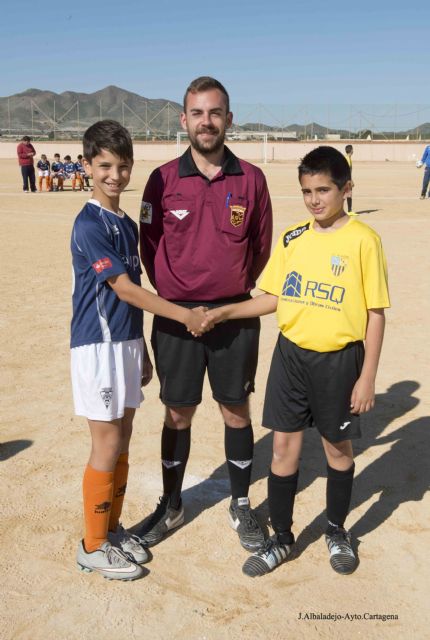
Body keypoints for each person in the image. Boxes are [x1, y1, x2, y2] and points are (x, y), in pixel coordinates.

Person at [202, 146, 390, 577]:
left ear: (346, 188)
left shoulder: (364, 240)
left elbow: (375, 313)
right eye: (307, 191)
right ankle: (282, 538)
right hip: (290, 358)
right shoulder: (293, 238)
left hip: (339, 362)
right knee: (283, 450)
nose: (315, 200)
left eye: (323, 190)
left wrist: (367, 377)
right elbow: (272, 297)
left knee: (336, 450)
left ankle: (337, 530)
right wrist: (224, 311)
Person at [137, 76, 273, 552]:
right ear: (184, 120)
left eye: (215, 113)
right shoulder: (162, 180)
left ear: (229, 119)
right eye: (197, 113)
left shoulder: (251, 179)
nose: (207, 122)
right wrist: (182, 302)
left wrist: (223, 299)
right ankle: (171, 504)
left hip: (234, 317)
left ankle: (240, 505)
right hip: (175, 317)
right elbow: (148, 247)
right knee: (178, 411)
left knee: (235, 409)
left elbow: (260, 249)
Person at [71, 119, 208, 581]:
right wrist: (183, 314)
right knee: (106, 442)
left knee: (124, 438)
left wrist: (142, 350)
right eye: (105, 165)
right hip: (98, 347)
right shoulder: (88, 223)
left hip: (125, 345)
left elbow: (133, 295)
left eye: (123, 166)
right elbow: (125, 289)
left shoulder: (126, 224)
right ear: (87, 165)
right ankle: (92, 545)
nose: (115, 175)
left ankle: (110, 531)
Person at [344, 144, 354, 213]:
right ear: (351, 150)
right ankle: (349, 211)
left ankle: (349, 210)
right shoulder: (347, 159)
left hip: (346, 178)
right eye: (352, 149)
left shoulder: (348, 158)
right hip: (346, 179)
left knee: (348, 194)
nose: (353, 151)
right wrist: (350, 180)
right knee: (348, 194)